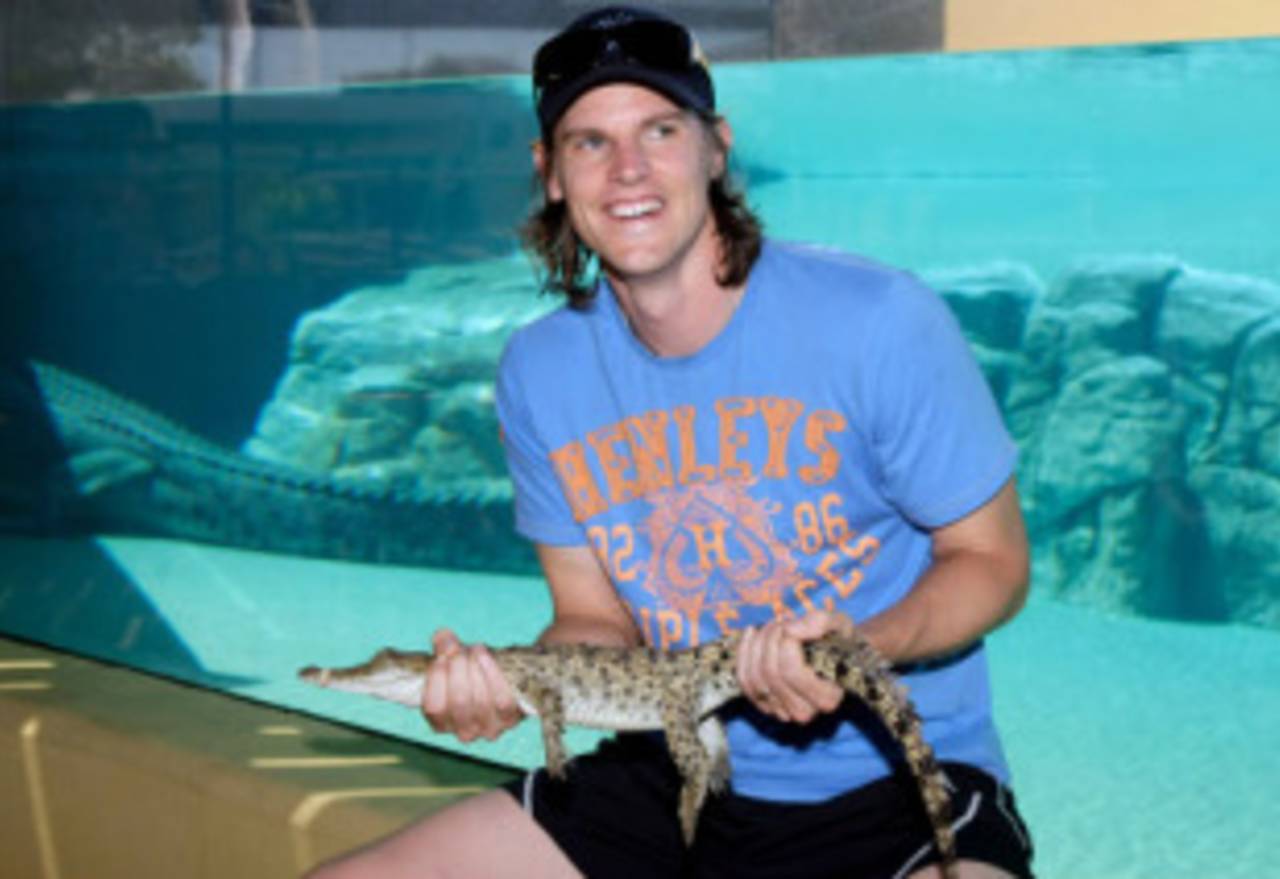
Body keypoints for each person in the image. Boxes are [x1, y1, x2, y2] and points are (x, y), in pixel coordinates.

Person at [308, 5, 1035, 878]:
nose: (628, 171)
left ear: (716, 147)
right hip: (670, 758)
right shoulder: (539, 370)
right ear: (548, 173)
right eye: (589, 142)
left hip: (894, 777)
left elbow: (992, 561)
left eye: (659, 129)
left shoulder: (881, 319)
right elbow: (593, 617)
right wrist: (511, 684)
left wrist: (861, 645)